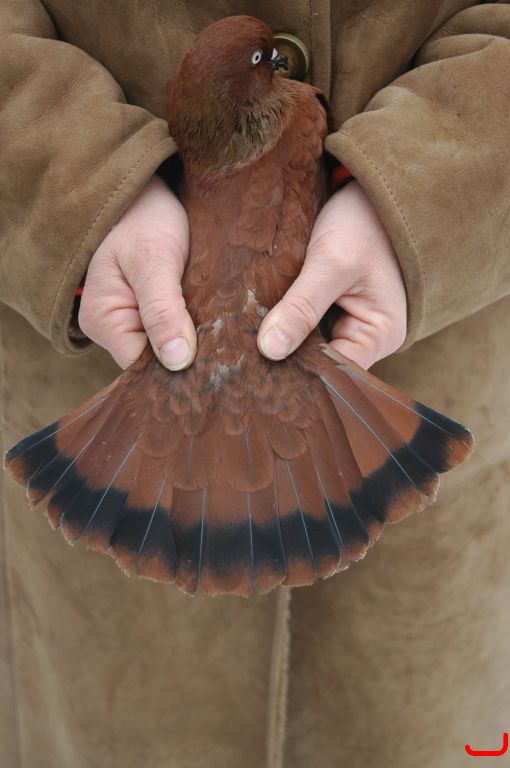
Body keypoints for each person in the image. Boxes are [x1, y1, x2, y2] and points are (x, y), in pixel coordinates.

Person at [1, 2, 509, 766]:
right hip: (104, 349)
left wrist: (427, 200)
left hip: (428, 361)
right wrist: (80, 190)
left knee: (429, 724)